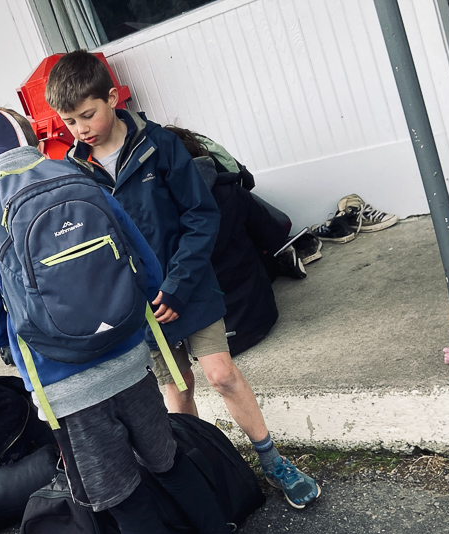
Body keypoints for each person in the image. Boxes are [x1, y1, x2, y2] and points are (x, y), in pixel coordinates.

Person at [0, 108, 257, 534]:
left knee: (125, 498)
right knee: (170, 463)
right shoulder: (84, 186)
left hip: (65, 390)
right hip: (129, 361)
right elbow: (147, 268)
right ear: (33, 145)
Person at [46, 51, 321, 510]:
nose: (81, 129)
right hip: (141, 308)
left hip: (189, 287)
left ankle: (272, 460)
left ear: (112, 97)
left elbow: (200, 216)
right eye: (69, 122)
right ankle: (205, 469)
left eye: (88, 115)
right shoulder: (76, 172)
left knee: (222, 375)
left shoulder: (159, 145)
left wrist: (177, 285)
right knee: (178, 387)